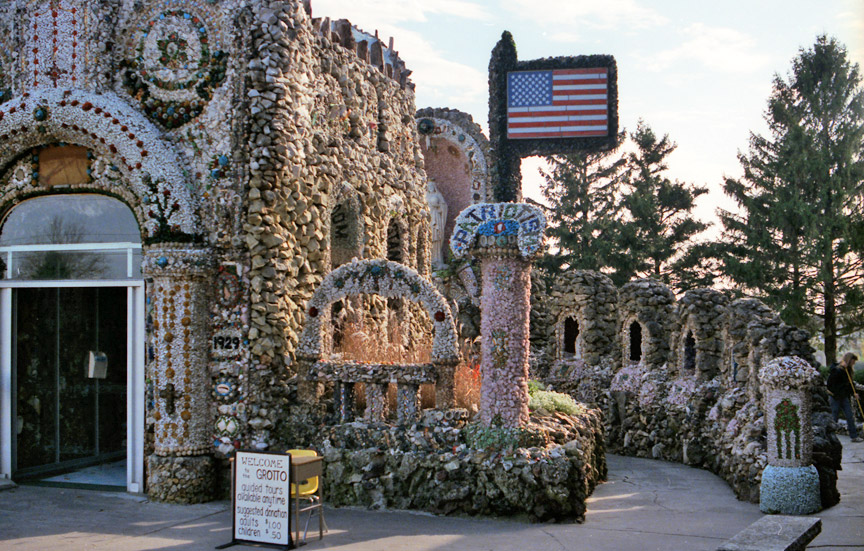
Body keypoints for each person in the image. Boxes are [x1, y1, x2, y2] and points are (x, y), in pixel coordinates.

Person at [827, 352, 862, 442]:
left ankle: (854, 436)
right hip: (835, 397)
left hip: (844, 397)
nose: (854, 363)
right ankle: (831, 437)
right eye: (853, 361)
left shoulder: (848, 370)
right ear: (849, 360)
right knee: (834, 417)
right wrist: (841, 369)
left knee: (850, 416)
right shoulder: (836, 369)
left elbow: (849, 384)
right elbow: (831, 383)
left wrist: (854, 393)